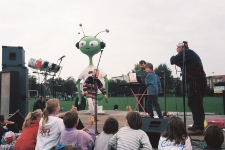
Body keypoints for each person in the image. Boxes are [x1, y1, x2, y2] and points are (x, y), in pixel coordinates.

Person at [170, 42, 207, 135]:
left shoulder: (187, 52)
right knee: (194, 102)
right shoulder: (188, 54)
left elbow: (172, 60)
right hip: (197, 80)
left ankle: (199, 128)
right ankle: (197, 124)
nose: (176, 50)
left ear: (181, 47)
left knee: (195, 103)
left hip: (195, 80)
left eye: (177, 48)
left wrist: (174, 58)